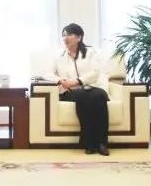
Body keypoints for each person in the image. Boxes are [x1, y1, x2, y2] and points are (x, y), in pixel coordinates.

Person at [41, 23, 111, 156]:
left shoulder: (90, 53)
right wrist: (60, 80)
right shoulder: (59, 57)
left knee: (98, 95)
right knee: (94, 96)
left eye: (69, 34)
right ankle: (101, 143)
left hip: (92, 89)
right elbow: (46, 74)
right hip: (70, 93)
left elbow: (95, 72)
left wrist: (76, 81)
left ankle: (91, 143)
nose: (65, 38)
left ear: (79, 37)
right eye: (64, 35)